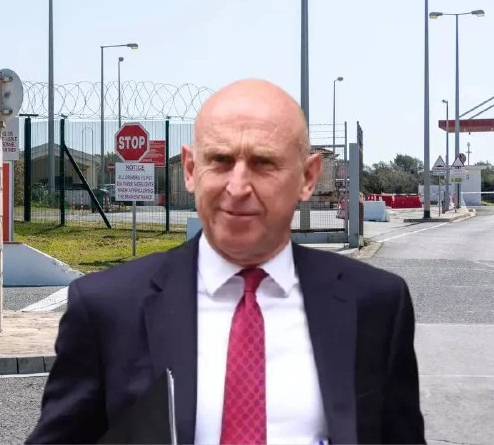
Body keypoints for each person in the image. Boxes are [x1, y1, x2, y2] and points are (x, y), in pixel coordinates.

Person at [25, 79, 425, 444]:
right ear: (190, 169)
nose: (237, 186)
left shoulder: (375, 304)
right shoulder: (108, 308)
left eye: (263, 163)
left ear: (307, 177)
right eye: (219, 160)